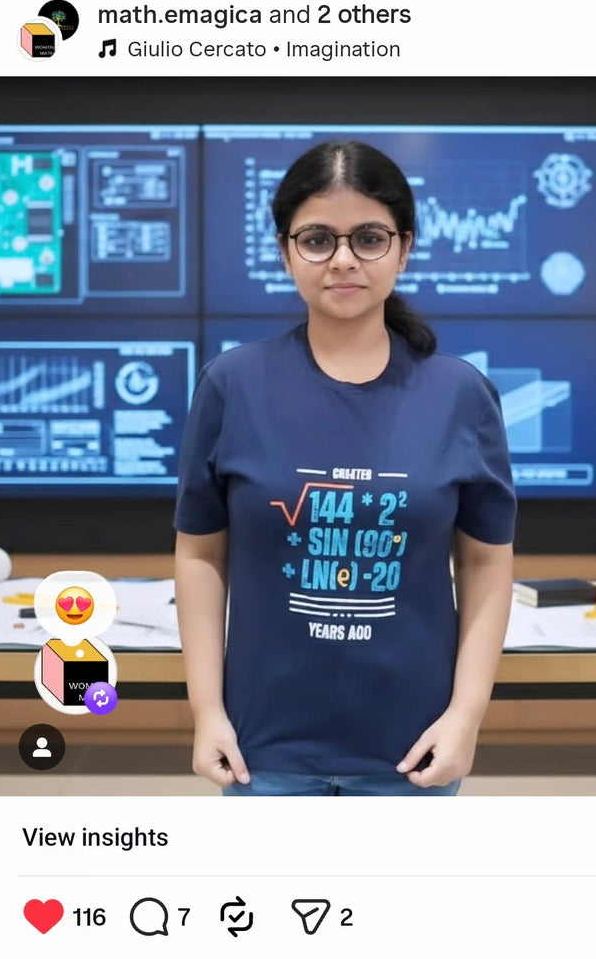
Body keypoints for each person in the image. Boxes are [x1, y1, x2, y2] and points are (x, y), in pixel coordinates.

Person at [174, 140, 516, 796]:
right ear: (285, 250)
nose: (343, 260)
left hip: (414, 751)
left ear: (405, 247)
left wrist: (466, 717)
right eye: (317, 240)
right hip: (261, 749)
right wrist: (206, 711)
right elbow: (200, 555)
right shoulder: (231, 384)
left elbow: (485, 563)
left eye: (368, 238)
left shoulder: (461, 394)